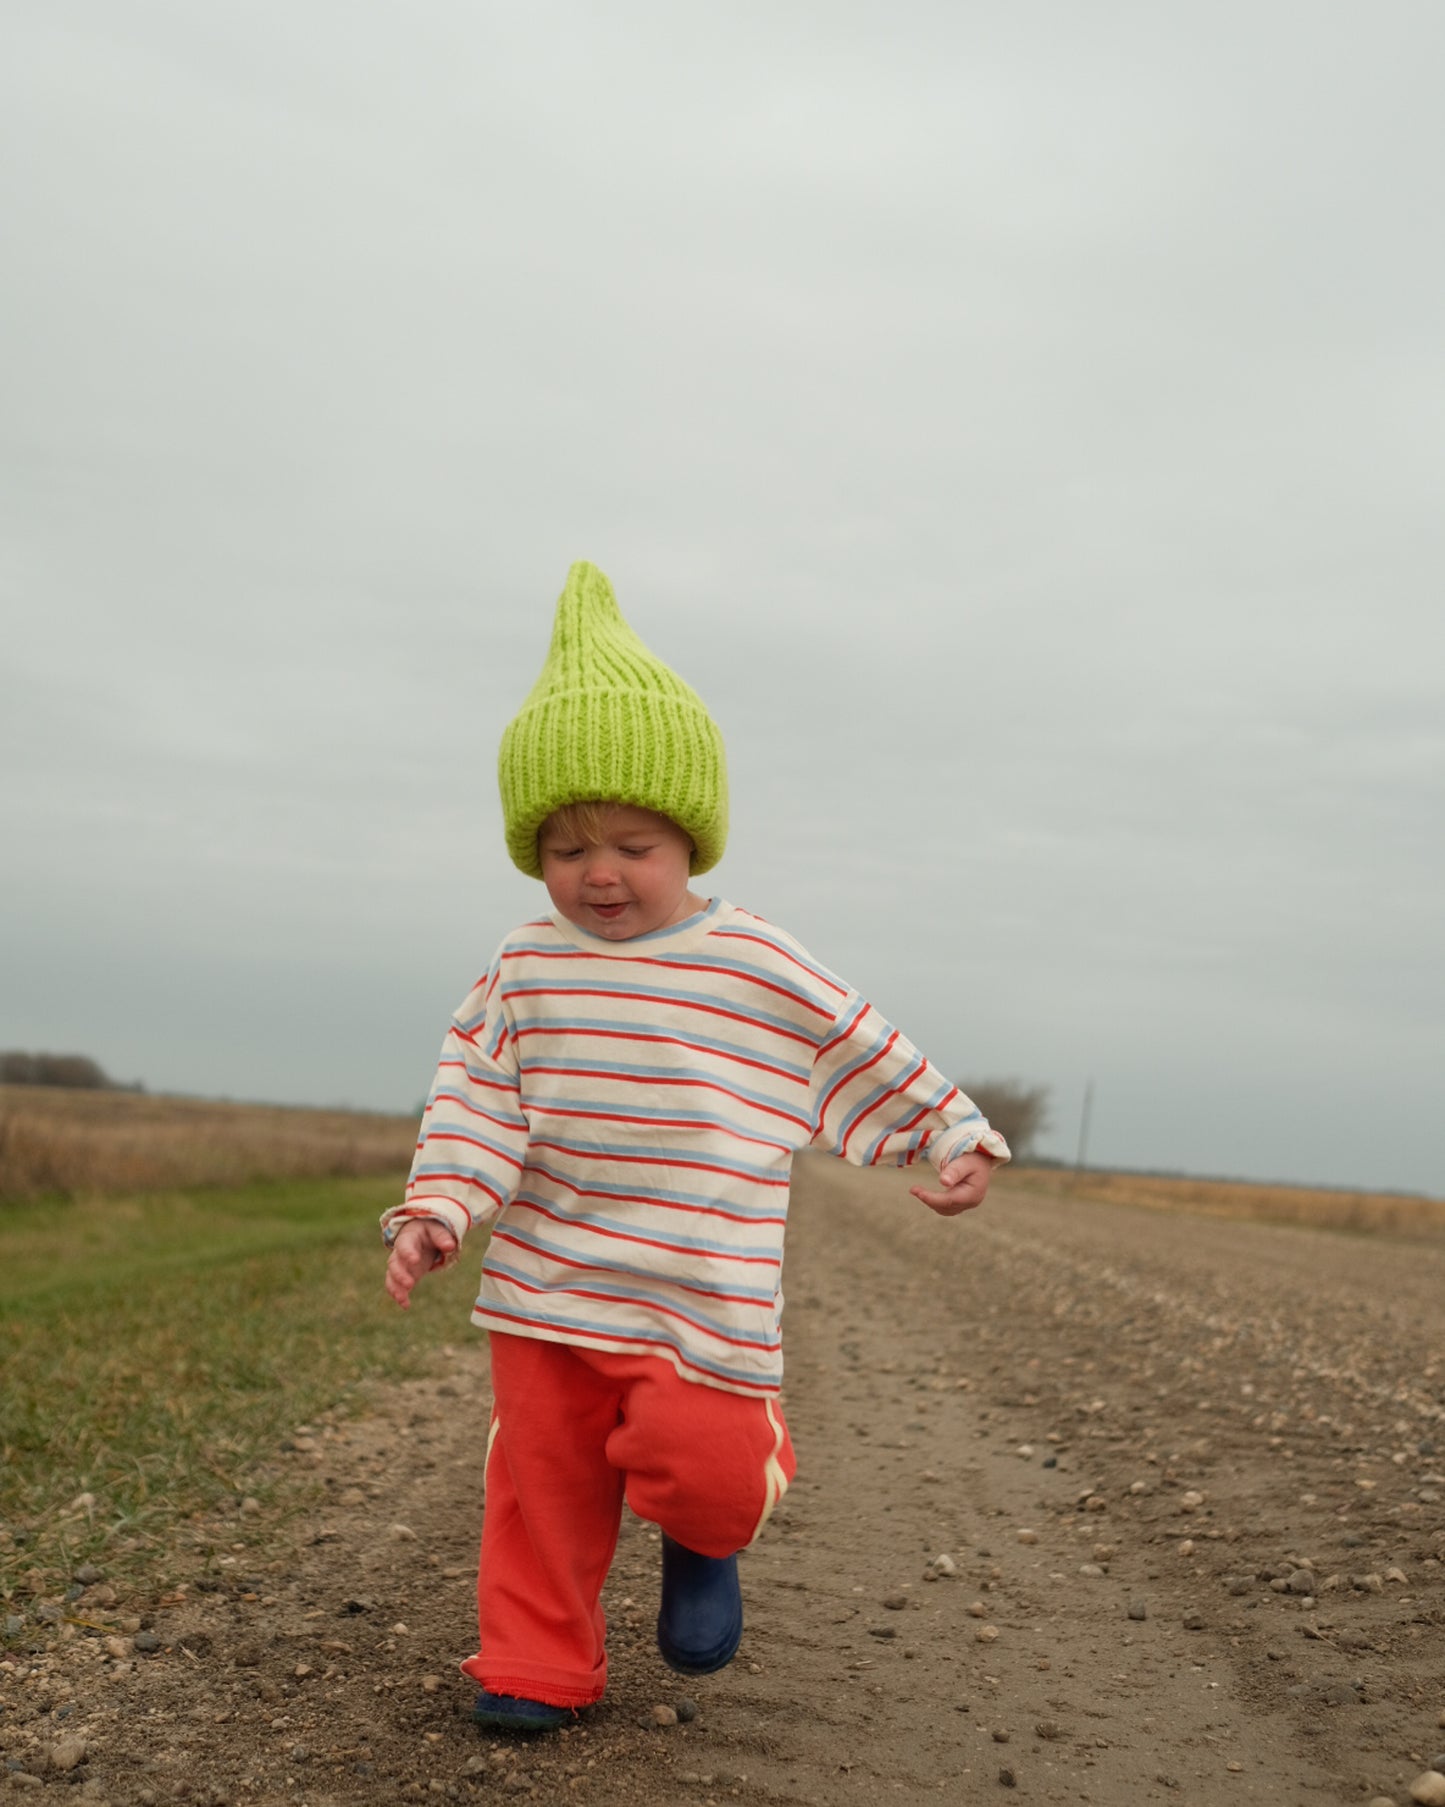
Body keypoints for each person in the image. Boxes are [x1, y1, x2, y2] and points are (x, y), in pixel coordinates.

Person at [383, 561, 1010, 1731]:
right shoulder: (523, 967)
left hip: (699, 1296)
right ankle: (537, 1666)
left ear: (692, 839)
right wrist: (438, 1210)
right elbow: (475, 1097)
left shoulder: (754, 964)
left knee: (708, 1464)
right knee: (540, 1485)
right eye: (566, 849)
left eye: (632, 842)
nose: (600, 872)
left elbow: (855, 1043)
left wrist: (948, 1128)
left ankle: (705, 1537)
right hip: (548, 1293)